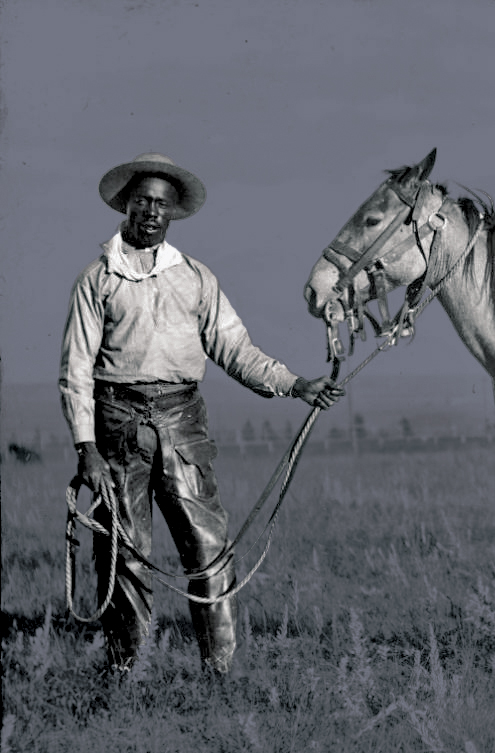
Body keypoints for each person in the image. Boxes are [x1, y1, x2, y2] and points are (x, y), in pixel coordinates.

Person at [59, 153, 343, 675]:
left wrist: (297, 384)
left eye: (161, 204)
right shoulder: (97, 279)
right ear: (126, 205)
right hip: (117, 428)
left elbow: (236, 349)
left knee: (209, 551)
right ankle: (127, 674)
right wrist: (86, 450)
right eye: (142, 200)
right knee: (125, 556)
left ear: (174, 214)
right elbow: (76, 371)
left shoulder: (195, 279)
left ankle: (220, 673)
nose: (150, 211)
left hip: (183, 424)